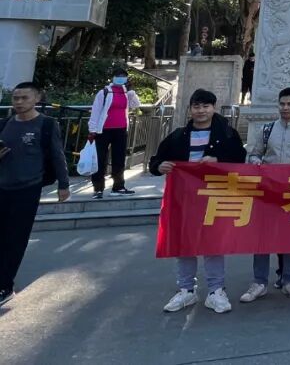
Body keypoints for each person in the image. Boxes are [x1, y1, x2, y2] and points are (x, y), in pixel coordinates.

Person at [150, 89, 247, 313]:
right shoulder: (177, 136)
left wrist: (218, 160)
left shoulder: (228, 134)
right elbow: (157, 160)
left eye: (205, 106)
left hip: (214, 197)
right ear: (190, 109)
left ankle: (216, 290)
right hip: (184, 199)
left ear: (213, 108)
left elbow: (240, 161)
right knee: (185, 243)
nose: (201, 111)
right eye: (196, 106)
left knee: (212, 243)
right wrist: (159, 166)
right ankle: (186, 290)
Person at [240, 88, 290, 303]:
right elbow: (254, 154)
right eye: (282, 104)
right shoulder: (267, 129)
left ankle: (289, 280)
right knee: (263, 238)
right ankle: (259, 282)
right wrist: (256, 162)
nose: (286, 108)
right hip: (268, 192)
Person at [0, 82, 69, 305]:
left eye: (24, 98)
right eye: (16, 98)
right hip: (2, 185)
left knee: (15, 238)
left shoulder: (47, 124)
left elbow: (57, 155)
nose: (19, 102)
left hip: (28, 187)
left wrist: (64, 184)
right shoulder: (4, 124)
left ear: (37, 99)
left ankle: (5, 285)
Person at [87, 66, 141, 198]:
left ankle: (118, 186)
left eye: (123, 76)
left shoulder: (126, 92)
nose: (121, 78)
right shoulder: (104, 92)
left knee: (119, 159)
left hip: (121, 130)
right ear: (113, 77)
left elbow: (136, 105)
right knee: (100, 159)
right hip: (103, 130)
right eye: (118, 75)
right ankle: (98, 188)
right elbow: (96, 112)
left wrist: (131, 91)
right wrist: (92, 130)